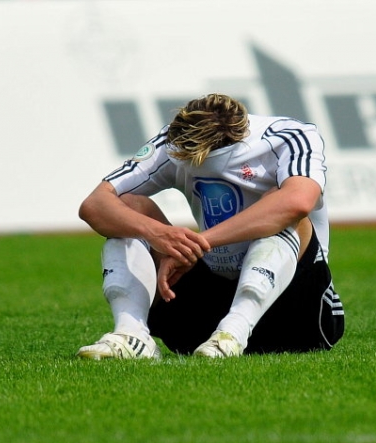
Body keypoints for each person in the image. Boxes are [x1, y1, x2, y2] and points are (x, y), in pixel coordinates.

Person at [76, 93, 344, 359]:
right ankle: (131, 335)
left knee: (282, 207)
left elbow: (298, 202)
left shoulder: (290, 136)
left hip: (295, 315)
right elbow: (95, 205)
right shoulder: (174, 141)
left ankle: (233, 332)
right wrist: (159, 235)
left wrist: (197, 244)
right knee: (127, 209)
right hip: (205, 313)